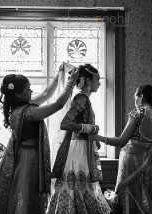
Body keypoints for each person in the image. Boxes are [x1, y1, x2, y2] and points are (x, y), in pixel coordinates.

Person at [0, 63, 79, 214]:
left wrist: (59, 76)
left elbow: (46, 94)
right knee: (26, 194)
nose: (31, 90)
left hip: (22, 155)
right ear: (18, 94)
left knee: (25, 195)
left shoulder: (20, 109)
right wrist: (71, 83)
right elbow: (58, 105)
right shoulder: (29, 113)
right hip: (28, 159)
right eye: (28, 89)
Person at [89, 84, 152, 214]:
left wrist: (98, 137)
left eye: (135, 98)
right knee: (147, 201)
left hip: (132, 163)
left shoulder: (138, 114)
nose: (135, 101)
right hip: (149, 165)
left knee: (131, 200)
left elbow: (121, 141)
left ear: (141, 96)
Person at [47, 64, 111, 214]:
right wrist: (90, 128)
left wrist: (93, 136)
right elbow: (65, 124)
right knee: (79, 186)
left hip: (82, 147)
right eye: (97, 79)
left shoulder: (85, 99)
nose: (99, 83)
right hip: (78, 151)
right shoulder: (81, 98)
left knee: (82, 187)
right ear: (88, 81)